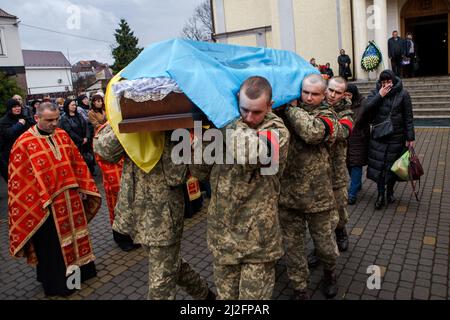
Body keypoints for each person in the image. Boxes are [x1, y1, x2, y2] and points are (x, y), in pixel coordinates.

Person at [190, 76, 290, 300]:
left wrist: (227, 120)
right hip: (223, 235)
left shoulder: (277, 130)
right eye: (244, 110)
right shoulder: (225, 126)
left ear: (270, 106)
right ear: (237, 100)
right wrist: (203, 133)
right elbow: (199, 170)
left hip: (258, 241)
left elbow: (252, 155)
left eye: (257, 112)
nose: (250, 117)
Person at [94, 124, 215, 300]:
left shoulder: (174, 125)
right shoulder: (127, 122)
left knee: (161, 280)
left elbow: (190, 171)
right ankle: (205, 295)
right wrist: (126, 121)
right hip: (135, 211)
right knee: (171, 265)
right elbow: (106, 152)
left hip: (163, 213)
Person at [8, 102, 101, 296]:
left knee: (77, 236)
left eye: (56, 119)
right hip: (46, 206)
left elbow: (76, 162)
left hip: (71, 198)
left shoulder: (62, 135)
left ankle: (83, 272)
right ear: (36, 118)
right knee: (53, 247)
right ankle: (58, 283)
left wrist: (83, 186)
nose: (54, 123)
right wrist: (37, 202)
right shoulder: (23, 143)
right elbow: (20, 180)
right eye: (49, 120)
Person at [278, 74, 339, 300]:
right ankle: (299, 288)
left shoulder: (328, 114)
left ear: (323, 95)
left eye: (315, 94)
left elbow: (312, 133)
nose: (309, 97)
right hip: (288, 195)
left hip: (318, 196)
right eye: (305, 92)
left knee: (324, 245)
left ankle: (330, 272)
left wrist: (292, 109)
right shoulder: (283, 114)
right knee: (293, 247)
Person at [363, 70, 415, 210]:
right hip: (379, 136)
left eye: (388, 82)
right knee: (379, 167)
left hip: (397, 137)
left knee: (392, 167)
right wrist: (380, 95)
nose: (386, 85)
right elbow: (366, 108)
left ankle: (390, 191)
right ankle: (380, 195)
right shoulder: (376, 92)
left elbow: (408, 117)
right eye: (383, 82)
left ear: (393, 80)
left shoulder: (403, 94)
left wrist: (410, 137)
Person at [93, 122, 138, 252]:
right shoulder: (104, 130)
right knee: (118, 208)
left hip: (130, 172)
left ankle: (135, 236)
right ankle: (122, 239)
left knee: (134, 206)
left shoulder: (129, 123)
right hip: (115, 174)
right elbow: (100, 154)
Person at [325, 77, 353, 252]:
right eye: (330, 90)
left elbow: (342, 132)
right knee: (322, 215)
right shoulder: (315, 106)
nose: (333, 95)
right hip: (317, 173)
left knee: (339, 207)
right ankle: (324, 246)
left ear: (344, 95)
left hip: (336, 173)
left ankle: (341, 231)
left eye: (337, 92)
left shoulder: (347, 114)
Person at [346, 84, 370, 205]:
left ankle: (352, 194)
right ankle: (357, 184)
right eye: (345, 95)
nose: (347, 97)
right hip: (346, 140)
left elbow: (360, 119)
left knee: (356, 165)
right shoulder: (343, 104)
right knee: (349, 164)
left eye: (349, 95)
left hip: (359, 140)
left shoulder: (363, 103)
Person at [60, 99, 95, 175]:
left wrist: (87, 137)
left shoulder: (79, 115)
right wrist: (81, 140)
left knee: (89, 158)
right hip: (75, 143)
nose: (74, 106)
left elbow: (86, 126)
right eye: (72, 105)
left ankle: (90, 172)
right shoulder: (64, 118)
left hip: (85, 141)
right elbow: (69, 131)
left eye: (75, 105)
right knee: (78, 160)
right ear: (67, 106)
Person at [0, 99, 32, 181]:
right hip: (10, 153)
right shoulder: (3, 121)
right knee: (14, 178)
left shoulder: (23, 118)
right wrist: (19, 125)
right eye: (14, 107)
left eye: (18, 106)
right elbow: (8, 134)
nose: (17, 108)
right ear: (9, 108)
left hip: (25, 151)